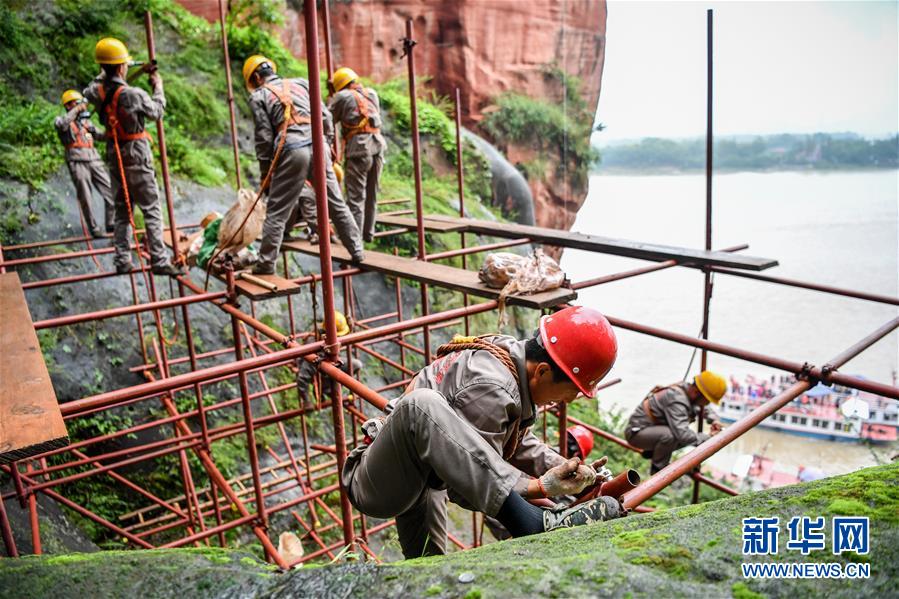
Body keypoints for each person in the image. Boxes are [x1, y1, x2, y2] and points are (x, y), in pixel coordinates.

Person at [341, 306, 622, 559]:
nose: (569, 399)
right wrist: (541, 487)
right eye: (572, 389)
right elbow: (464, 486)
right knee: (421, 405)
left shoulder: (512, 359)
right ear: (543, 371)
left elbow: (513, 443)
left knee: (427, 564)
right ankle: (532, 521)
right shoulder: (495, 389)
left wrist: (565, 468)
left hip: (421, 472)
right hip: (379, 481)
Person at [242, 55, 364, 274]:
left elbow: (263, 137)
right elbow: (325, 116)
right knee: (335, 203)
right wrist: (327, 144)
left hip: (291, 149)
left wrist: (266, 172)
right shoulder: (301, 83)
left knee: (277, 211)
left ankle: (266, 264)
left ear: (257, 78)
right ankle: (357, 251)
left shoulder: (259, 95)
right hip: (318, 145)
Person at [82, 38, 184, 276]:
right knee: (150, 208)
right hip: (136, 153)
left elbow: (89, 88)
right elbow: (157, 111)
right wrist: (158, 86)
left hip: (114, 152)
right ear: (120, 67)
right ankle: (159, 260)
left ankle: (122, 259)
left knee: (122, 209)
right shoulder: (134, 94)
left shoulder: (96, 92)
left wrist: (106, 74)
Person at [624, 370, 726, 474]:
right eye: (707, 400)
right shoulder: (677, 400)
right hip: (636, 433)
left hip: (651, 429)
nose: (707, 403)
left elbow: (705, 407)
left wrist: (714, 420)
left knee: (681, 435)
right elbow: (683, 435)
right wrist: (708, 438)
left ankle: (654, 452)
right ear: (697, 393)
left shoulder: (689, 391)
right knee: (672, 435)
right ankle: (658, 470)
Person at [328, 67, 387, 243]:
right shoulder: (372, 93)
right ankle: (368, 233)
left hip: (359, 148)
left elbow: (326, 119)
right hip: (378, 144)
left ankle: (355, 239)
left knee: (355, 197)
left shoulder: (342, 96)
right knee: (372, 193)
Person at [54, 90, 114, 238]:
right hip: (77, 161)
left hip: (94, 160)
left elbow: (100, 136)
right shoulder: (62, 120)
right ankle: (94, 229)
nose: (81, 106)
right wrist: (76, 110)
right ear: (68, 106)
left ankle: (111, 224)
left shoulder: (86, 122)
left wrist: (111, 130)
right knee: (86, 197)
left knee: (110, 191)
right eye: (76, 103)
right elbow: (62, 125)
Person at [295, 310, 363, 408]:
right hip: (319, 370)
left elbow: (342, 338)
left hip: (329, 363)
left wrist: (351, 329)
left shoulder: (327, 336)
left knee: (356, 365)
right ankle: (326, 389)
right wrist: (306, 400)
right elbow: (302, 378)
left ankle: (329, 388)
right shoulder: (315, 349)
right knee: (330, 371)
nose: (340, 338)